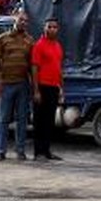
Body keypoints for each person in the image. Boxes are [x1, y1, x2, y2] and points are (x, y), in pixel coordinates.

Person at [0, 9, 34, 161]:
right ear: (15, 20)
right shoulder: (2, 39)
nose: (23, 23)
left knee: (22, 119)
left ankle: (20, 150)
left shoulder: (29, 40)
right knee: (3, 119)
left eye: (26, 21)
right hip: (6, 84)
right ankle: (0, 150)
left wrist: (33, 87)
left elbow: (31, 66)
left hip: (22, 84)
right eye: (21, 20)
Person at [30, 17, 64, 161]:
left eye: (54, 27)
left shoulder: (57, 45)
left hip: (53, 87)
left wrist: (62, 87)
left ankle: (47, 150)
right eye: (49, 27)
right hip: (42, 86)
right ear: (44, 28)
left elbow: (59, 68)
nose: (52, 29)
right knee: (40, 121)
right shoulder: (39, 45)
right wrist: (36, 90)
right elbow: (34, 68)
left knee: (50, 121)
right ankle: (38, 153)